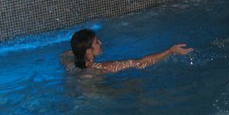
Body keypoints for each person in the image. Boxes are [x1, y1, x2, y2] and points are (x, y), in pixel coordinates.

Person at [64, 28, 193, 73]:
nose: (101, 43)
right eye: (97, 42)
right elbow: (139, 63)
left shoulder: (69, 62)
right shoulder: (104, 67)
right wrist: (170, 51)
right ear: (88, 52)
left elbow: (67, 54)